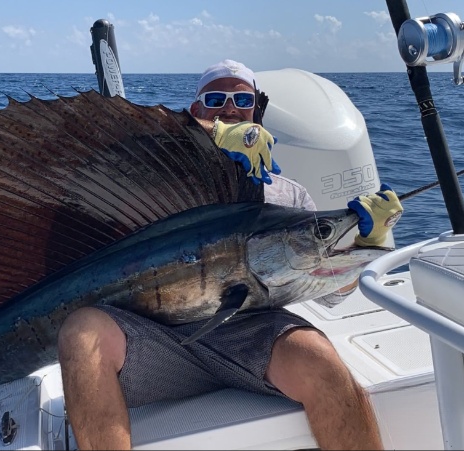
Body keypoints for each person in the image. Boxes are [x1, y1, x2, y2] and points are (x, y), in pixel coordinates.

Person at [57, 59, 403, 450]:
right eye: (216, 99)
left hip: (251, 335)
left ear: (256, 110)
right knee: (81, 331)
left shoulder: (289, 198)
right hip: (152, 341)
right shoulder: (154, 181)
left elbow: (335, 295)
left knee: (321, 361)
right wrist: (208, 142)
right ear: (196, 112)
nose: (230, 107)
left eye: (243, 99)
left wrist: (366, 244)